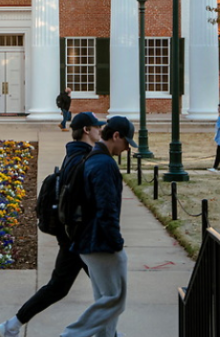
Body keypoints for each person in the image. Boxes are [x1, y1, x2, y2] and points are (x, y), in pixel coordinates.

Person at [0, 112, 102, 337]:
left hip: (73, 236)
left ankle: (11, 325)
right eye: (96, 127)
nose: (100, 131)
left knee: (61, 288)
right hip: (80, 237)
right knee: (108, 292)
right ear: (86, 130)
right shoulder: (82, 159)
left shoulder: (74, 155)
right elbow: (77, 201)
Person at [60, 115, 136, 337]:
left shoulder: (93, 158)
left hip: (87, 239)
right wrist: (116, 242)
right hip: (99, 241)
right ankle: (71, 335)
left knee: (105, 299)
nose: (127, 149)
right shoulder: (103, 163)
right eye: (126, 142)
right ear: (115, 136)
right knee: (115, 300)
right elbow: (106, 208)